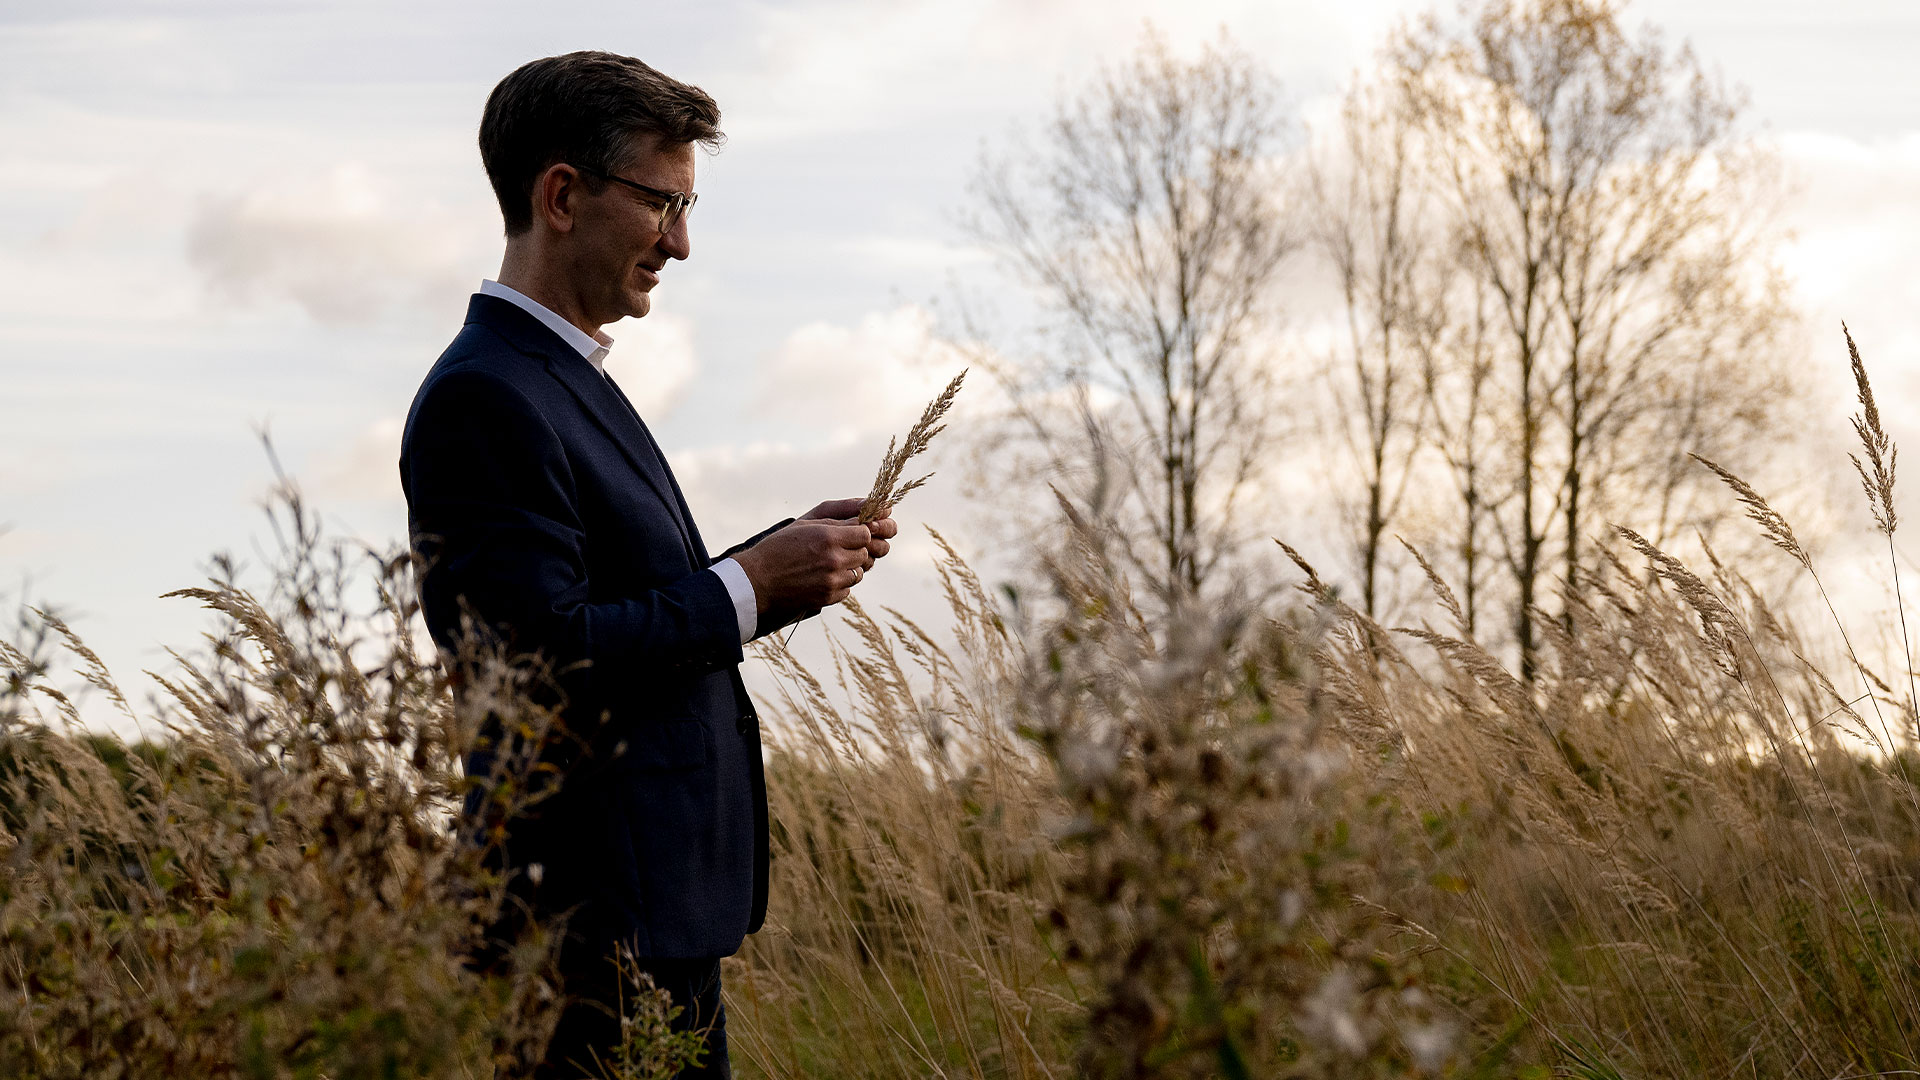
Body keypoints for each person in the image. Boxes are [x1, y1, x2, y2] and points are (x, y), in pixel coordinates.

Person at [398, 51, 895, 1078]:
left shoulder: (560, 378)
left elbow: (620, 609)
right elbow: (541, 657)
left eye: (688, 207)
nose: (680, 242)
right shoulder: (486, 395)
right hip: (582, 934)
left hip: (650, 923)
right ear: (564, 195)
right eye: (663, 204)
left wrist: (781, 567)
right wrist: (752, 586)